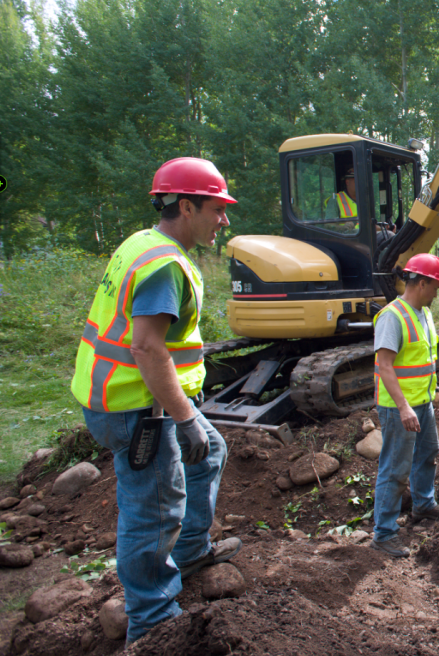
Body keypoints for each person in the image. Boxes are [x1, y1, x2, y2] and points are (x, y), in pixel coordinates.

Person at [70, 157, 241, 642]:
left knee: (211, 453)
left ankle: (188, 552)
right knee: (154, 510)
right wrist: (185, 417)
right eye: (217, 208)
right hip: (136, 409)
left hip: (136, 398)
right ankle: (151, 620)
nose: (224, 220)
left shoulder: (142, 244)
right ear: (186, 206)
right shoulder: (164, 266)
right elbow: (146, 346)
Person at [370, 253, 439, 557]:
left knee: (428, 452)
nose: (437, 292)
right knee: (395, 468)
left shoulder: (424, 314)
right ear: (420, 283)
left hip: (423, 400)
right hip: (398, 407)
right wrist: (403, 407)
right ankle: (384, 533)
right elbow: (386, 366)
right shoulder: (393, 316)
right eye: (435, 286)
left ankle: (423, 504)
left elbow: (424, 358)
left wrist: (436, 391)